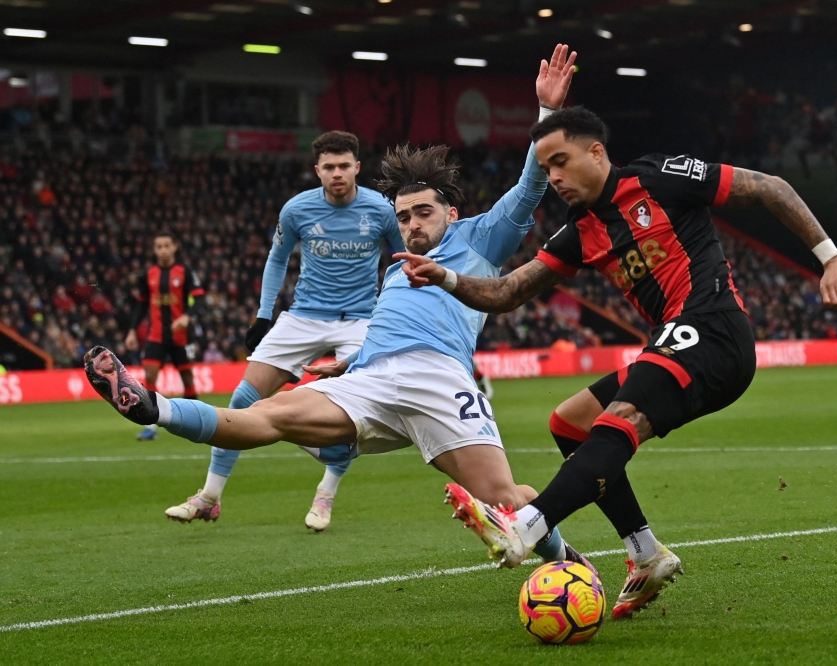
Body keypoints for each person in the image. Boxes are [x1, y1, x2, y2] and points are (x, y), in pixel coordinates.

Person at [84, 44, 593, 569]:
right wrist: (347, 363)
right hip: (370, 379)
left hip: (440, 379)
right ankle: (151, 406)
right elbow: (389, 326)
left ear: (451, 212)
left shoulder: (482, 238)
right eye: (404, 216)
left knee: (507, 499)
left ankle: (572, 565)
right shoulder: (396, 267)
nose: (413, 223)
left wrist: (547, 112)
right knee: (263, 415)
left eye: (424, 212)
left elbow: (531, 184)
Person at [396, 105, 837, 618]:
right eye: (546, 169)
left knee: (617, 422)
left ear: (596, 151)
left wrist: (830, 256)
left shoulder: (660, 178)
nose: (555, 178)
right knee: (570, 423)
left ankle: (524, 527)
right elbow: (507, 291)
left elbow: (769, 187)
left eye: (561, 162)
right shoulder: (579, 230)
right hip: (676, 340)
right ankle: (645, 553)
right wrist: (446, 278)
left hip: (714, 328)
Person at [163, 130, 404, 533]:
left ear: (357, 167)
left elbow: (401, 261)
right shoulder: (297, 209)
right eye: (329, 167)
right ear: (317, 171)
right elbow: (276, 261)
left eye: (344, 165)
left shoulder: (381, 209)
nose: (337, 173)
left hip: (361, 319)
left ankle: (325, 495)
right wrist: (263, 315)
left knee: (351, 411)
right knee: (243, 397)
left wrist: (392, 316)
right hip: (303, 316)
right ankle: (209, 497)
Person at [126, 230, 204, 440]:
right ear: (154, 250)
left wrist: (187, 317)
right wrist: (133, 330)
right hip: (156, 335)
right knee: (149, 376)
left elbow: (199, 299)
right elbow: (141, 304)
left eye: (166, 246)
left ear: (174, 247)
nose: (162, 250)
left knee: (187, 378)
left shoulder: (185, 272)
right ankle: (151, 427)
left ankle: (197, 422)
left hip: (181, 335)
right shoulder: (148, 274)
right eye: (158, 246)